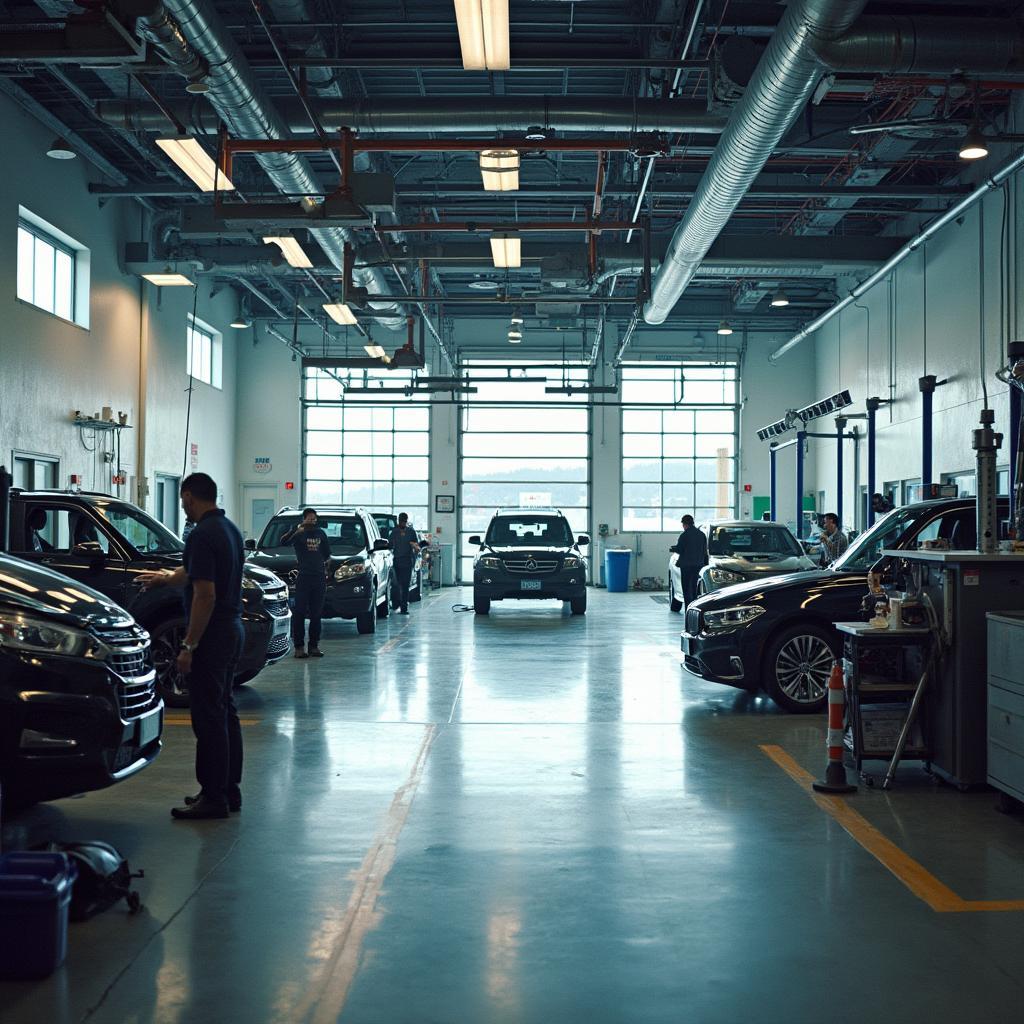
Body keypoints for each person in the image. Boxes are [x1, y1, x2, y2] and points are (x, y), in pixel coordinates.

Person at [137, 473, 244, 820]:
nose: (183, 506)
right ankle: (228, 790)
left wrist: (188, 645)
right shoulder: (229, 529)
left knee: (208, 717)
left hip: (211, 635)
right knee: (224, 710)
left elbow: (205, 594)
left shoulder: (200, 534)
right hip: (232, 630)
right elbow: (194, 573)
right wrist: (166, 578)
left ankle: (212, 798)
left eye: (183, 501)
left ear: (189, 496)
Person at [281, 508, 332, 658]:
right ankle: (298, 647)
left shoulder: (321, 534)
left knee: (316, 613)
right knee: (300, 612)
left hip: (319, 578)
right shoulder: (299, 533)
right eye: (309, 518)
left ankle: (314, 646)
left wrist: (327, 566)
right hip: (304, 577)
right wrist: (295, 530)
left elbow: (327, 553)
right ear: (303, 519)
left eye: (314, 519)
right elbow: (283, 542)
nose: (312, 521)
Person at [388, 512, 421, 614]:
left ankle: (404, 608)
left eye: (404, 521)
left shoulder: (411, 532)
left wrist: (415, 548)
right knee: (396, 584)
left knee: (405, 585)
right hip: (396, 562)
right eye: (401, 520)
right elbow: (390, 546)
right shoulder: (394, 532)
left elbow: (416, 546)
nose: (403, 522)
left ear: (406, 521)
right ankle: (396, 604)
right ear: (398, 520)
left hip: (407, 561)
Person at [673, 514, 708, 607]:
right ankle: (695, 607)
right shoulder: (702, 535)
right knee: (694, 588)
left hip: (686, 566)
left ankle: (688, 608)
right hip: (698, 565)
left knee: (686, 589)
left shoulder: (684, 535)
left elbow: (679, 549)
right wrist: (705, 564)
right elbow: (705, 551)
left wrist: (674, 548)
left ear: (684, 524)